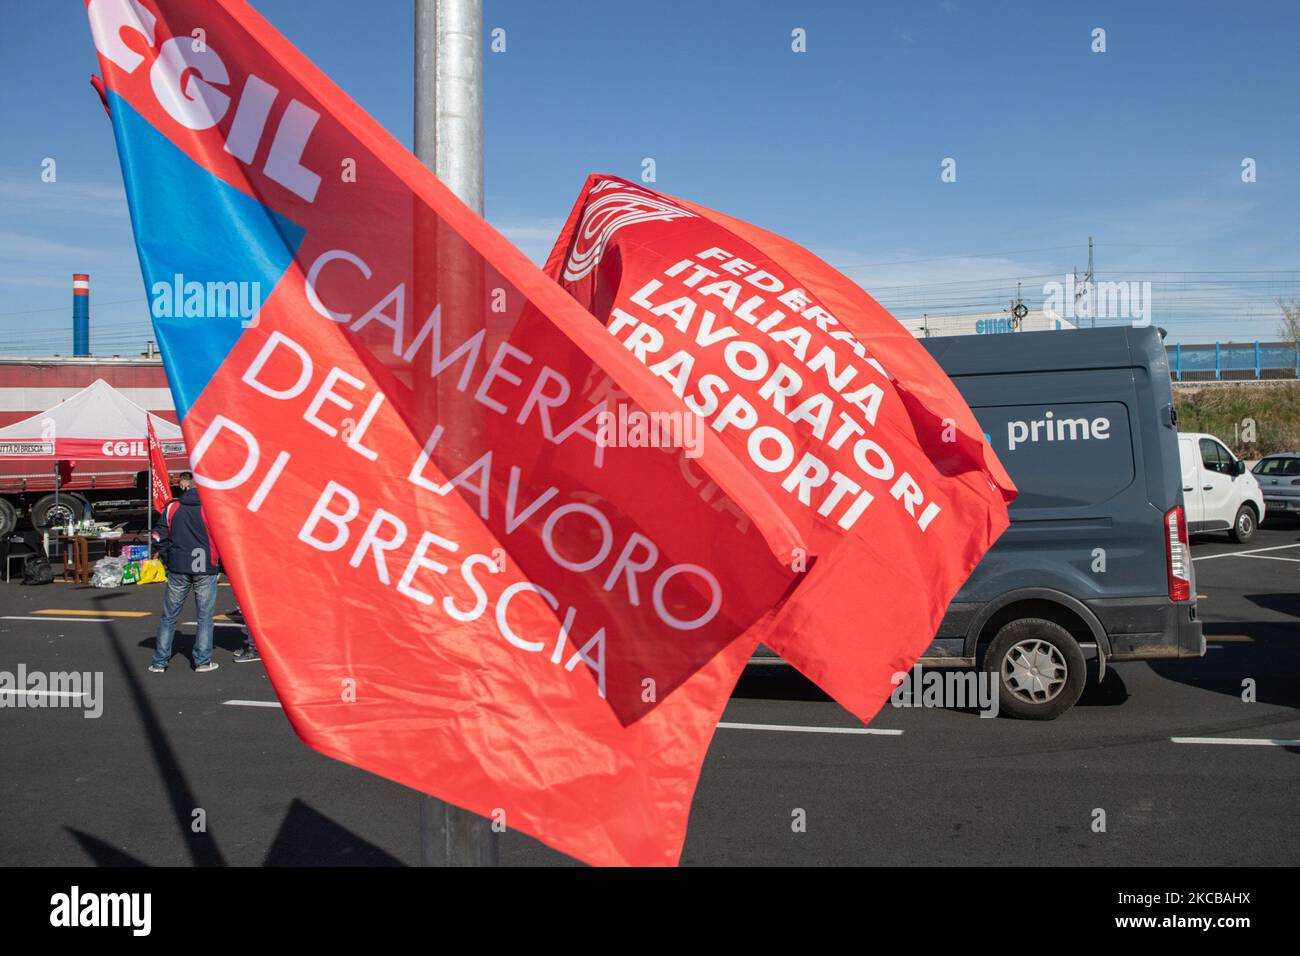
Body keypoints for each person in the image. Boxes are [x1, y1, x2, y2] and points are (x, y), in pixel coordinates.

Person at [149, 472, 221, 673]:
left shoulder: (173, 507)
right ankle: (202, 661)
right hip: (206, 567)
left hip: (178, 566)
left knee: (169, 616)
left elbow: (157, 536)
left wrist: (167, 559)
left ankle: (159, 662)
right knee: (205, 617)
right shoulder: (211, 508)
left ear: (186, 486)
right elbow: (223, 539)